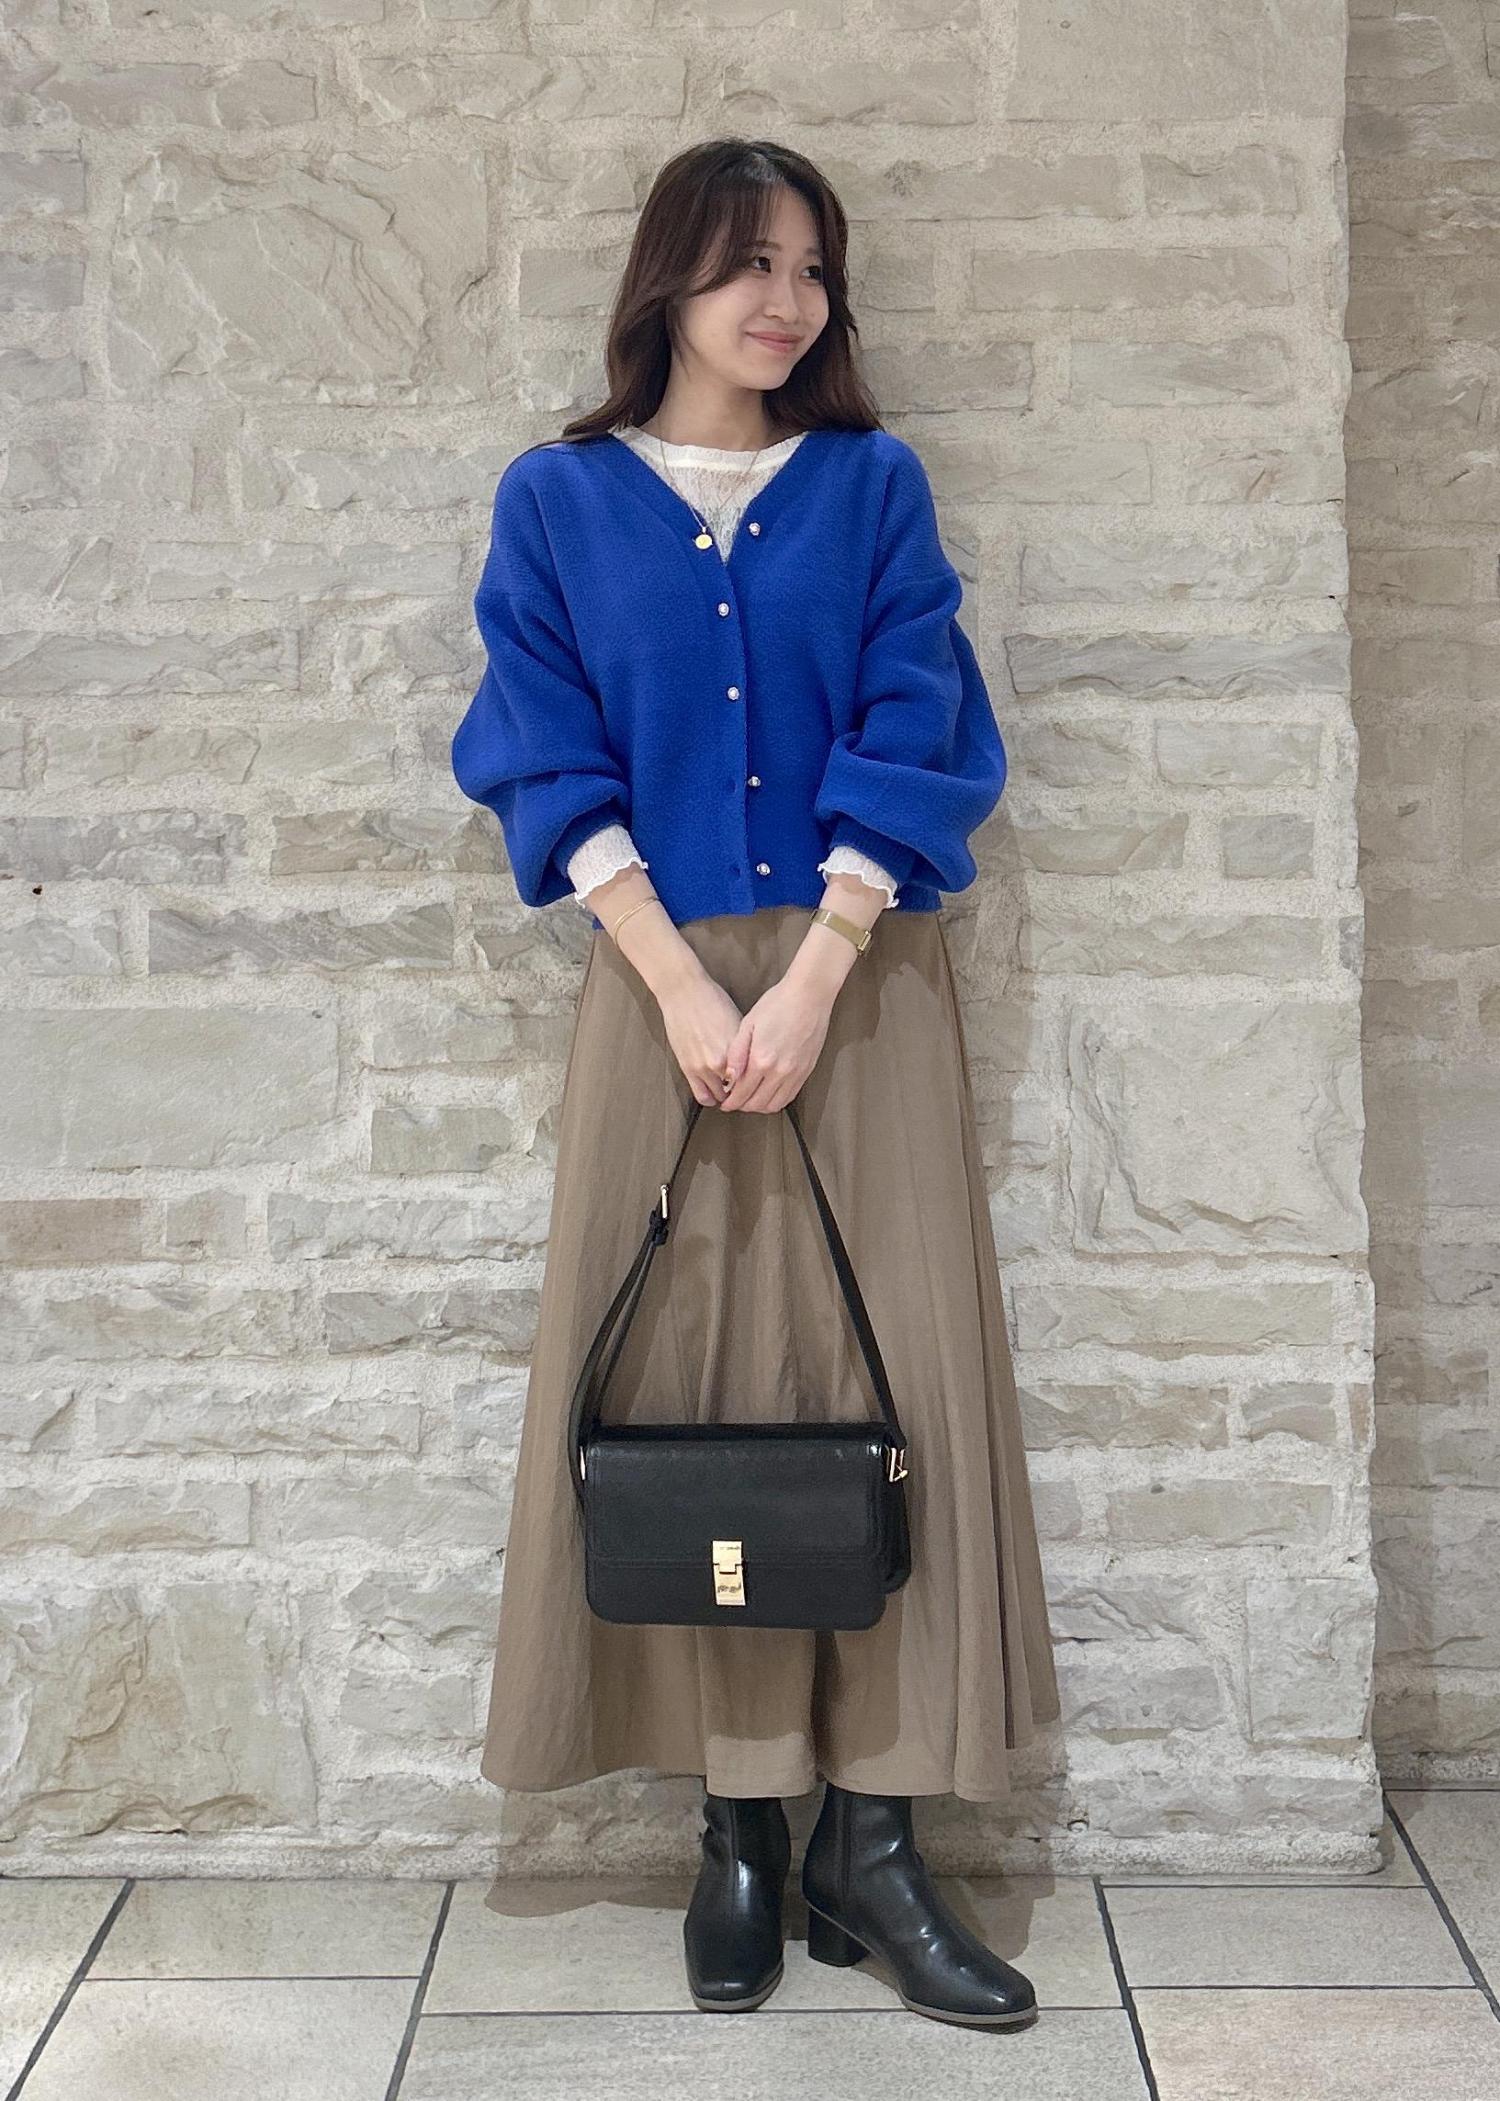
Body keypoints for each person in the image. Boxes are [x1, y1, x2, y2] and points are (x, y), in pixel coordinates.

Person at [450, 137, 1062, 2031]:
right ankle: (737, 1827)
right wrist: (674, 980)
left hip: (859, 989)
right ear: (668, 283)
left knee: (899, 1374)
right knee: (686, 1380)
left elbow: (920, 716)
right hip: (656, 990)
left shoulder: (872, 488)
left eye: (808, 266)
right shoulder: (558, 501)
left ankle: (876, 1839)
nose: (783, 301)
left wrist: (811, 974)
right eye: (744, 264)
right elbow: (542, 747)